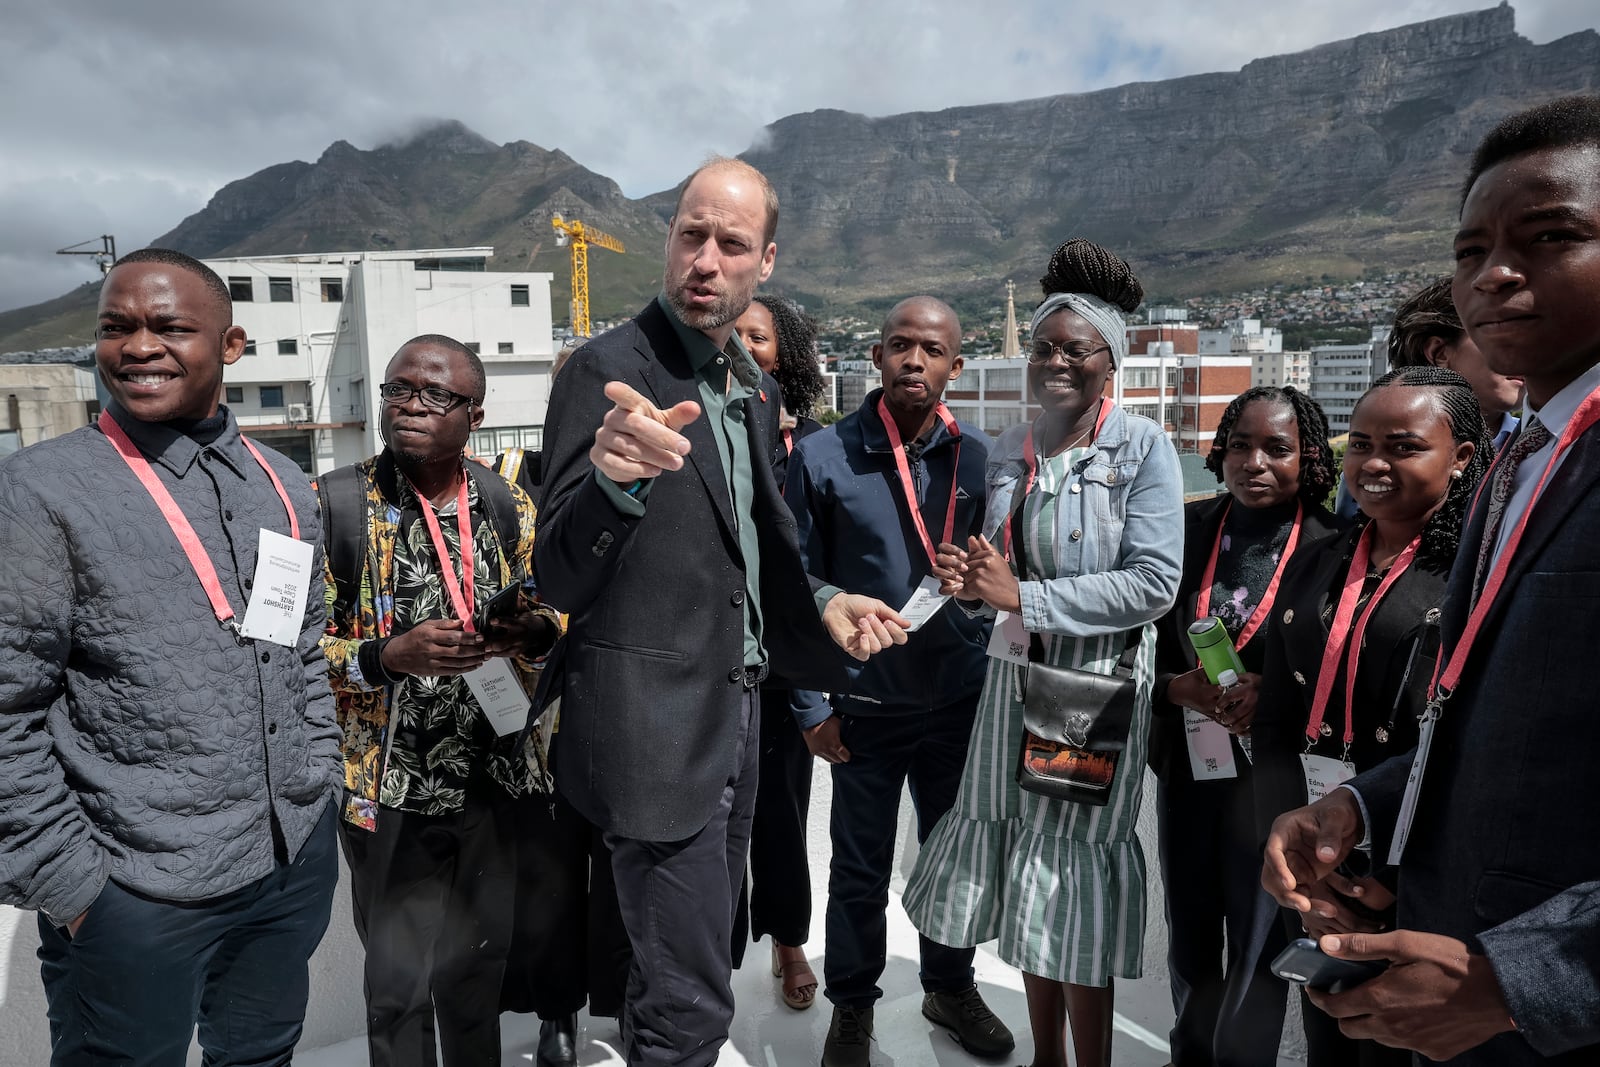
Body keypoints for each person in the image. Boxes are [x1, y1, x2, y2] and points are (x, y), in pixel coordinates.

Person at [533, 156, 910, 1067]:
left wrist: (821, 600)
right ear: (670, 238)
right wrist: (612, 486)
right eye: (690, 234)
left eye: (730, 243)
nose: (704, 258)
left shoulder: (752, 384)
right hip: (651, 737)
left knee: (698, 958)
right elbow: (555, 575)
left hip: (741, 718)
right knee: (689, 1003)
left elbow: (748, 543)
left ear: (765, 261)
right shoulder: (603, 370)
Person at [1262, 94, 1600, 1066]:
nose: (1493, 273)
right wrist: (1363, 805)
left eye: (1550, 236)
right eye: (1468, 249)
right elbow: (1493, 723)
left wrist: (1518, 979)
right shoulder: (1514, 460)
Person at [0, 248, 340, 1065]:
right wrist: (78, 892)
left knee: (261, 1054)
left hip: (286, 862)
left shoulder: (285, 484)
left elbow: (301, 649)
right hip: (136, 890)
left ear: (231, 345)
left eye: (170, 327)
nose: (139, 346)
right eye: (116, 328)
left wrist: (317, 779)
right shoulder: (43, 491)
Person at [903, 238, 1183, 1067]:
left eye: (1076, 350)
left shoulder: (1142, 450)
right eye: (1044, 348)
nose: (1055, 361)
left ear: (1111, 364)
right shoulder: (1009, 447)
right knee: (1027, 864)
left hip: (1085, 687)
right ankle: (1046, 1057)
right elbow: (998, 560)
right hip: (1013, 675)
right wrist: (968, 575)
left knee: (1069, 877)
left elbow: (1153, 584)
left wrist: (1023, 596)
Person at [318, 335, 565, 1067]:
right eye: (400, 389)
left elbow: (556, 621)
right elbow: (292, 652)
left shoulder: (506, 502)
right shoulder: (334, 504)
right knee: (397, 990)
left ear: (476, 414)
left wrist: (531, 631)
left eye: (436, 395)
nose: (412, 405)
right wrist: (385, 655)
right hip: (389, 794)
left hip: (493, 782)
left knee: (475, 975)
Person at [784, 296, 1013, 1066]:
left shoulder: (979, 458)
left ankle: (950, 985)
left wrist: (981, 593)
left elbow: (1004, 579)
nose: (915, 360)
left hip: (959, 700)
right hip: (863, 708)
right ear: (878, 355)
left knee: (954, 859)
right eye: (900, 346)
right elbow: (795, 585)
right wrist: (812, 705)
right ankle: (853, 1007)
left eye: (932, 349)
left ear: (957, 363)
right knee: (860, 865)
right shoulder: (822, 457)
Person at [1253, 367, 1489, 1067]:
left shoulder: (1473, 576)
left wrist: (1393, 877)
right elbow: (1276, 723)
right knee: (1331, 1038)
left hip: (1410, 880)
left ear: (1462, 459)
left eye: (1403, 445)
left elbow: (1462, 745)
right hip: (1322, 864)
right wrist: (1301, 873)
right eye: (1359, 444)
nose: (1374, 464)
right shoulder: (1318, 561)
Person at [1149, 386, 1344, 1066]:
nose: (1253, 461)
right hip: (1191, 774)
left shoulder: (1334, 546)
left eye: (1276, 448)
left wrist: (1278, 694)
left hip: (1274, 788)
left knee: (1260, 947)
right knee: (1191, 941)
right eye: (1239, 445)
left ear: (1309, 458)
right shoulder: (1183, 531)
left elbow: (1346, 667)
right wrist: (1176, 688)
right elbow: (1143, 645)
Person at [729, 293, 828, 1010]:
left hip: (787, 666)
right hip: (715, 656)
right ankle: (717, 952)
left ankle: (789, 940)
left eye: (756, 336)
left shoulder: (818, 446)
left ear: (784, 355)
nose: (740, 345)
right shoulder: (704, 427)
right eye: (729, 333)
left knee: (784, 812)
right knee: (711, 818)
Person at [1334, 277, 1523, 518]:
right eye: (1503, 333)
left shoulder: (1541, 446)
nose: (1523, 350)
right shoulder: (1373, 466)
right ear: (1439, 352)